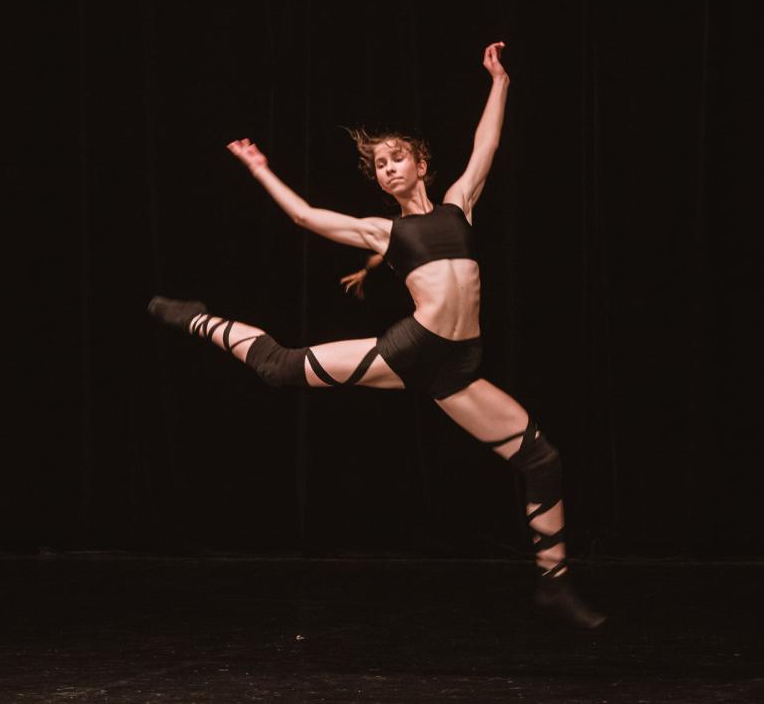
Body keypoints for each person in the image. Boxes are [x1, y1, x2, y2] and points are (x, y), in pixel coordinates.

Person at [149, 42, 605, 629]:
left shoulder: (458, 206)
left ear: (420, 163)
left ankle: (553, 581)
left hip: (460, 367)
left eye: (396, 158)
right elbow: (306, 217)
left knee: (542, 459)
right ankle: (197, 318)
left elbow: (486, 146)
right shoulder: (383, 231)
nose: (388, 168)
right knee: (280, 367)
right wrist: (260, 168)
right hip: (414, 350)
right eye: (380, 165)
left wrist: (500, 81)